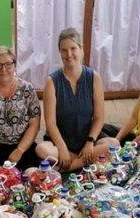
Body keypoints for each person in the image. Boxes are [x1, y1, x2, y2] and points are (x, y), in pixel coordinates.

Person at [36, 28, 119, 171]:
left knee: (114, 143)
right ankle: (84, 162)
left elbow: (99, 117)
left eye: (73, 48)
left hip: (87, 140)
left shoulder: (94, 77)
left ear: (81, 49)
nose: (69, 54)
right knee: (41, 148)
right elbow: (50, 123)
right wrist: (62, 149)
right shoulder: (52, 81)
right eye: (64, 50)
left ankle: (68, 166)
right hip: (60, 142)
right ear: (60, 52)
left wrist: (90, 142)